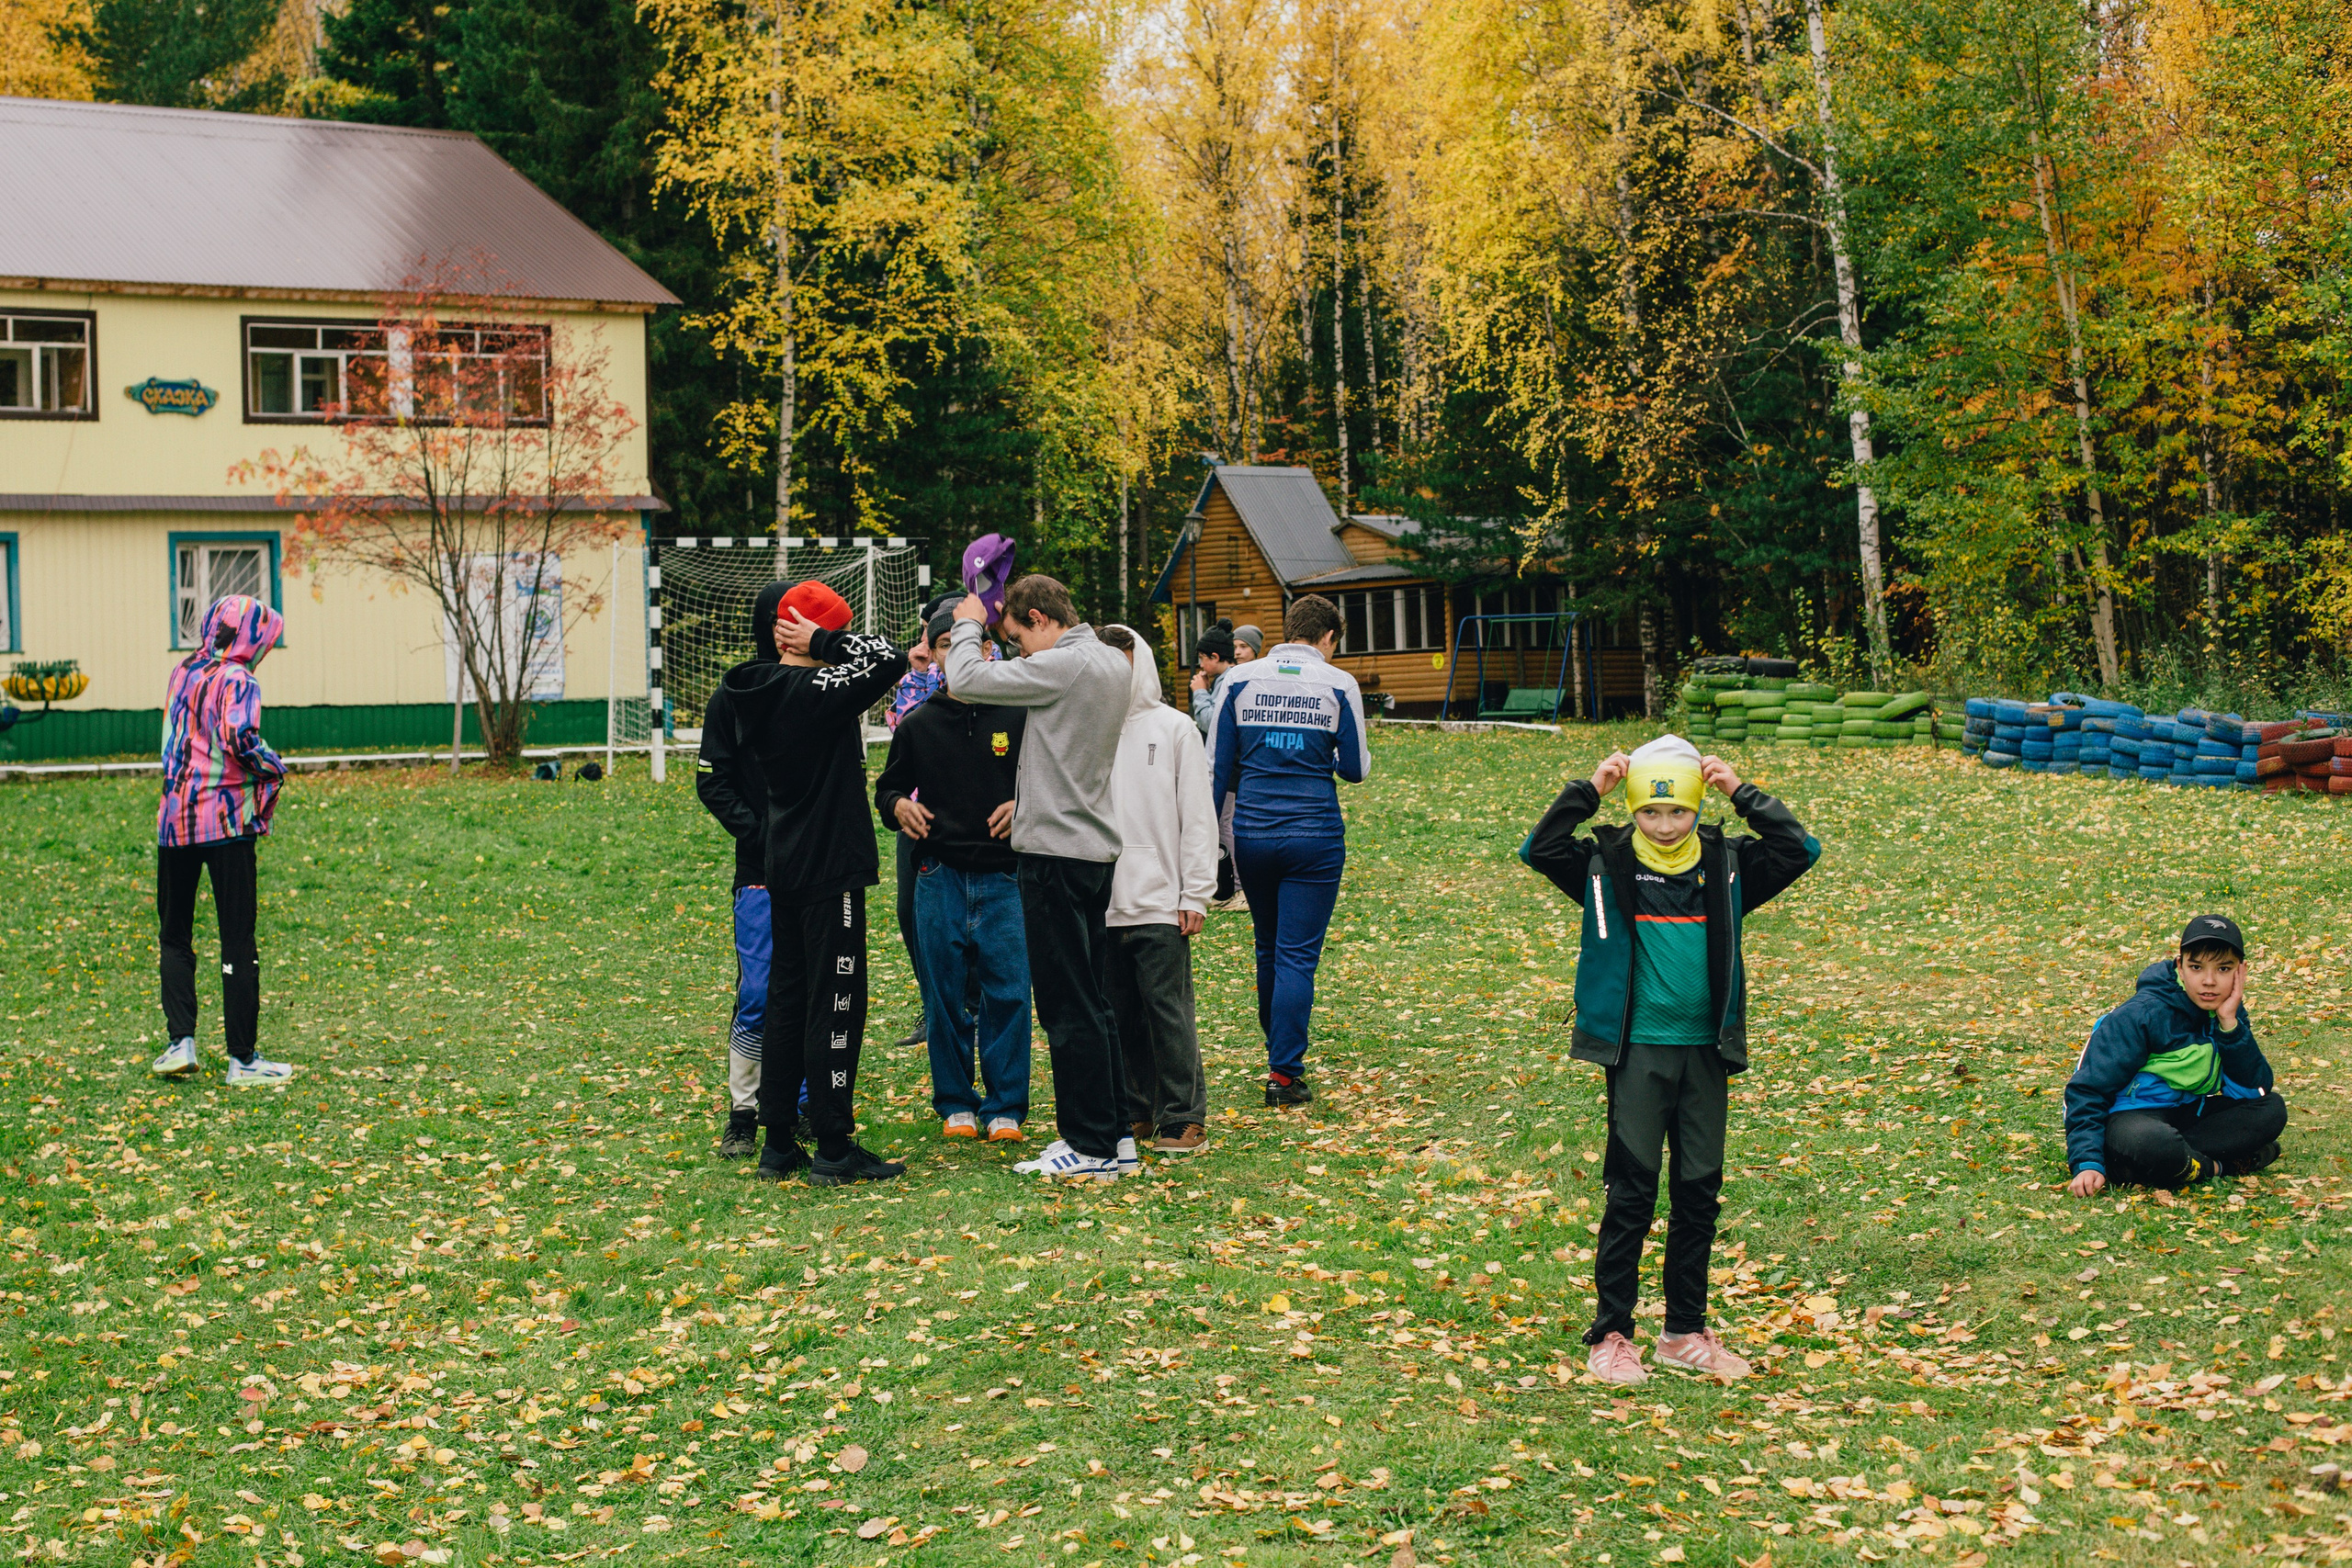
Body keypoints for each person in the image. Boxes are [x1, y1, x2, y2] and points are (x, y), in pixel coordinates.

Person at [1521, 735, 1819, 1386]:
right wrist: (1590, 791)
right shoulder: (1606, 862)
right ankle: (1612, 1333)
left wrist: (1741, 794)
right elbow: (1538, 848)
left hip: (1706, 1052)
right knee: (1631, 1192)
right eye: (1649, 813)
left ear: (1693, 808)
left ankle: (1683, 1331)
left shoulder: (1729, 864)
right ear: (1632, 810)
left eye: (1677, 812)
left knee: (1698, 1193)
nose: (1662, 826)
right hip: (1638, 1053)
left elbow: (1801, 849)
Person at [941, 573, 1135, 1182]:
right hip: (1091, 852)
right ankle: (1115, 1134)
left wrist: (970, 621)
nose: (1020, 649)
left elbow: (966, 679)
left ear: (1038, 617)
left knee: (1065, 1005)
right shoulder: (1108, 661)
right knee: (1094, 1002)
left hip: (1054, 855)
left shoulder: (1066, 664)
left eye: (1017, 635)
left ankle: (1089, 1144)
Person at [725, 581, 912, 1187]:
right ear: (804, 633)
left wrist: (816, 642)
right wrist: (825, 641)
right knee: (837, 999)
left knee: (786, 999)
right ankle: (833, 1143)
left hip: (783, 862)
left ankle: (778, 1141)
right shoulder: (812, 692)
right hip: (829, 863)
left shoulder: (757, 687)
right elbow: (888, 657)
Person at [874, 608, 1032, 1142]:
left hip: (1005, 877)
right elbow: (887, 788)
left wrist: (1024, 804)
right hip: (938, 874)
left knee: (1008, 992)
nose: (952, 653)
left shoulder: (1019, 715)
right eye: (941, 645)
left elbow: (1050, 782)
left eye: (961, 644)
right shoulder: (919, 724)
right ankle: (956, 1103)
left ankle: (1006, 1105)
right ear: (936, 655)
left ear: (986, 652)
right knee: (942, 994)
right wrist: (897, 806)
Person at [1209, 594, 1370, 1108]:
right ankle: (1283, 1073)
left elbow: (1217, 767)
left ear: (1288, 628)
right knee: (1297, 954)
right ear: (1328, 638)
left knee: (1267, 946)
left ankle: (1276, 1052)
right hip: (1314, 835)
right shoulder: (1339, 684)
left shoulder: (1236, 680)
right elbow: (1356, 769)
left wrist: (1206, 838)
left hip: (1253, 833)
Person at [149, 593, 294, 1086]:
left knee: (175, 933)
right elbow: (239, 738)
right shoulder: (239, 680)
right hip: (227, 825)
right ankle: (243, 1060)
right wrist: (276, 768)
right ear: (249, 636)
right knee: (236, 938)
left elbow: (171, 740)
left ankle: (180, 1044)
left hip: (175, 822)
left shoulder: (182, 672)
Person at [1100, 625, 1217, 1153]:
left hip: (1162, 899)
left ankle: (1183, 1115)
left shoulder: (1174, 729)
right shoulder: (1086, 728)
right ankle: (1134, 1110)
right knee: (1117, 1012)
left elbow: (1198, 817)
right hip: (1101, 899)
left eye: (1124, 663)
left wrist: (1196, 893)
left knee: (1168, 1012)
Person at [2064, 915, 2285, 1195]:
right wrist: (2087, 1161)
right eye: (2196, 967)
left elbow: (2254, 1092)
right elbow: (2086, 1091)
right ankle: (2219, 1166)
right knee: (2151, 1142)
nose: (2209, 981)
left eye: (2223, 968)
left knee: (2273, 1109)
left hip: (2186, 1115)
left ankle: (2151, 1165)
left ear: (2240, 972)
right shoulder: (2142, 1014)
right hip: (2130, 1119)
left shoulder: (2229, 1012)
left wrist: (2229, 1025)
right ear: (2180, 966)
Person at [695, 581, 795, 1160]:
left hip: (817, 874)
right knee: (758, 991)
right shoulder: (734, 694)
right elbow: (712, 777)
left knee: (808, 988)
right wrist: (760, 832)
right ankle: (744, 1108)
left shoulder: (819, 689)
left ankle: (802, 1102)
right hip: (759, 871)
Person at [882, 601, 948, 1053]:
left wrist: (933, 673)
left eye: (933, 635)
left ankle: (971, 1004)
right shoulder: (915, 677)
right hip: (918, 816)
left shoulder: (988, 665)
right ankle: (933, 1003)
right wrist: (922, 674)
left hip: (968, 818)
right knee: (910, 912)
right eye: (923, 634)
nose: (923, 644)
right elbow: (905, 727)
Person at [1192, 621, 1261, 910]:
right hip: (1230, 766)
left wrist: (1198, 692)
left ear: (1215, 658)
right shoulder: (1224, 680)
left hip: (1231, 768)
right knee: (1223, 824)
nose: (1200, 665)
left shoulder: (1228, 681)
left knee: (1225, 825)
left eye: (1202, 659)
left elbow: (1213, 722)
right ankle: (1229, 888)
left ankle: (1239, 890)